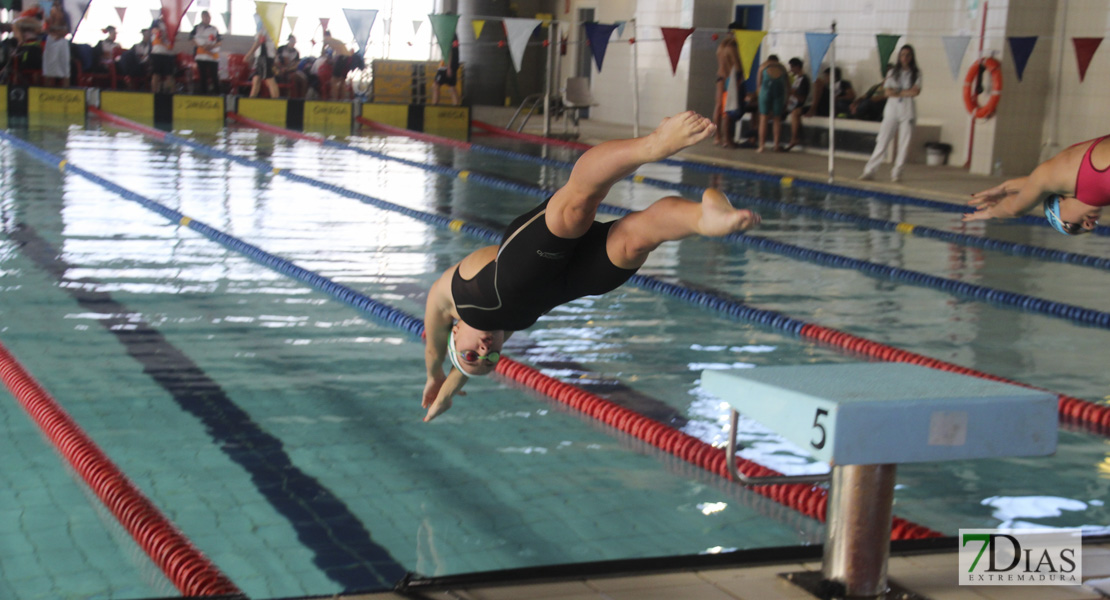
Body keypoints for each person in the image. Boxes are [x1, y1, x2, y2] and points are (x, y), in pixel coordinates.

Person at [420, 111, 762, 422]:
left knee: (577, 207)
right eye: (490, 358)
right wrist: (452, 387)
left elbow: (438, 350)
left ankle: (653, 145)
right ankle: (704, 218)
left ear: (454, 330)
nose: (483, 351)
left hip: (519, 267)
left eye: (471, 353)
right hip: (570, 283)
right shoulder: (488, 335)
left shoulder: (447, 302)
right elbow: (468, 360)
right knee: (635, 240)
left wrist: (436, 376)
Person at [964, 136, 1109, 235]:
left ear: (1059, 201)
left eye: (1072, 226)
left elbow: (1014, 209)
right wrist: (1007, 187)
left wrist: (991, 212)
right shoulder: (1067, 174)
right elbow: (1040, 183)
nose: (1089, 225)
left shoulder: (1061, 175)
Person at [860, 45, 922, 183]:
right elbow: (887, 92)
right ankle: (869, 171)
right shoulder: (893, 72)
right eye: (903, 55)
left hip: (908, 110)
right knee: (882, 140)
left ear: (912, 57)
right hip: (892, 110)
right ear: (899, 57)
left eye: (908, 55)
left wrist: (898, 92)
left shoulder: (916, 73)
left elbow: (916, 92)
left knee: (904, 143)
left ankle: (897, 173)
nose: (905, 58)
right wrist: (906, 91)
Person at [755, 55, 788, 152]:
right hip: (779, 92)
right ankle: (776, 145)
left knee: (763, 118)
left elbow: (758, 85)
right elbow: (787, 86)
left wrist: (758, 98)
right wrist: (786, 99)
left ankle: (761, 146)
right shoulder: (782, 67)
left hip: (765, 92)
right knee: (777, 119)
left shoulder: (763, 66)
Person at [712, 36, 741, 147]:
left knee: (718, 106)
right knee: (728, 109)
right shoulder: (732, 48)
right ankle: (727, 140)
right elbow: (737, 68)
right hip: (730, 80)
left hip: (720, 78)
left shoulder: (720, 47)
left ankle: (717, 136)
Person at [189, 11, 221, 95]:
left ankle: (217, 94)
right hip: (201, 56)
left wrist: (211, 46)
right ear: (202, 17)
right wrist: (201, 46)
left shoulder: (214, 29)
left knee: (214, 76)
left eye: (208, 17)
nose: (207, 19)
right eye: (205, 17)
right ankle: (203, 94)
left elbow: (219, 41)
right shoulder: (197, 28)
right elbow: (191, 39)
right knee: (203, 76)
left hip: (212, 56)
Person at [42, 0, 69, 87]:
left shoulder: (66, 13)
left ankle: (66, 89)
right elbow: (46, 28)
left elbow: (68, 29)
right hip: (52, 39)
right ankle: (47, 88)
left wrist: (60, 34)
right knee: (48, 67)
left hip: (61, 40)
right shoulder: (50, 13)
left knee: (64, 67)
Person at [785, 57, 810, 150]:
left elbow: (801, 98)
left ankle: (794, 138)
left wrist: (791, 94)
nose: (791, 70)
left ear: (798, 67)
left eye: (792, 67)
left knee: (795, 113)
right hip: (794, 103)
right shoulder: (797, 79)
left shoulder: (804, 79)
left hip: (803, 105)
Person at [246, 30, 279, 98]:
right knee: (256, 79)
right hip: (263, 57)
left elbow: (258, 41)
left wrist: (248, 54)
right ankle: (251, 99)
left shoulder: (263, 26)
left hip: (264, 56)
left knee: (270, 80)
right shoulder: (269, 26)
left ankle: (277, 102)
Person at [321, 30, 352, 100]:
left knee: (333, 80)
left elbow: (322, 53)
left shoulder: (327, 39)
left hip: (342, 57)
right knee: (342, 80)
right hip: (349, 58)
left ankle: (334, 100)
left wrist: (323, 46)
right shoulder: (336, 40)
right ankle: (342, 99)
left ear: (325, 36)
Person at [430, 35, 460, 106]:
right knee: (452, 86)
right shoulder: (454, 36)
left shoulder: (448, 35)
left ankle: (434, 106)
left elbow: (449, 51)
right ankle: (457, 107)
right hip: (453, 64)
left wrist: (448, 67)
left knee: (435, 85)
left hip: (445, 66)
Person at [275, 34, 307, 98]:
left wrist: (288, 69)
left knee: (303, 79)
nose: (293, 43)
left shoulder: (296, 52)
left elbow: (296, 64)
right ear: (288, 40)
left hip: (291, 71)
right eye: (292, 41)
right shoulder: (281, 49)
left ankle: (301, 98)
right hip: (279, 70)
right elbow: (275, 61)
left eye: (294, 41)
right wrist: (280, 68)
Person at [149, 19, 175, 93]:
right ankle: (154, 93)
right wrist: (161, 33)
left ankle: (171, 94)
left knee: (169, 75)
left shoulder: (171, 22)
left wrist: (167, 34)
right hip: (157, 52)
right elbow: (154, 30)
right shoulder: (156, 22)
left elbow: (174, 33)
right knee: (156, 74)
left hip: (168, 53)